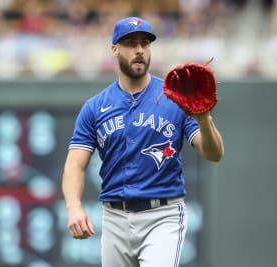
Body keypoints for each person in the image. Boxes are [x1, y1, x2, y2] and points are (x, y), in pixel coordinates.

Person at [62, 16, 224, 267]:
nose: (139, 50)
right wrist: (73, 207)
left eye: (145, 43)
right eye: (130, 43)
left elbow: (213, 154)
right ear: (115, 50)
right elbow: (75, 165)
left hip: (163, 215)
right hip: (114, 217)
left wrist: (204, 120)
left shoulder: (176, 99)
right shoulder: (95, 107)